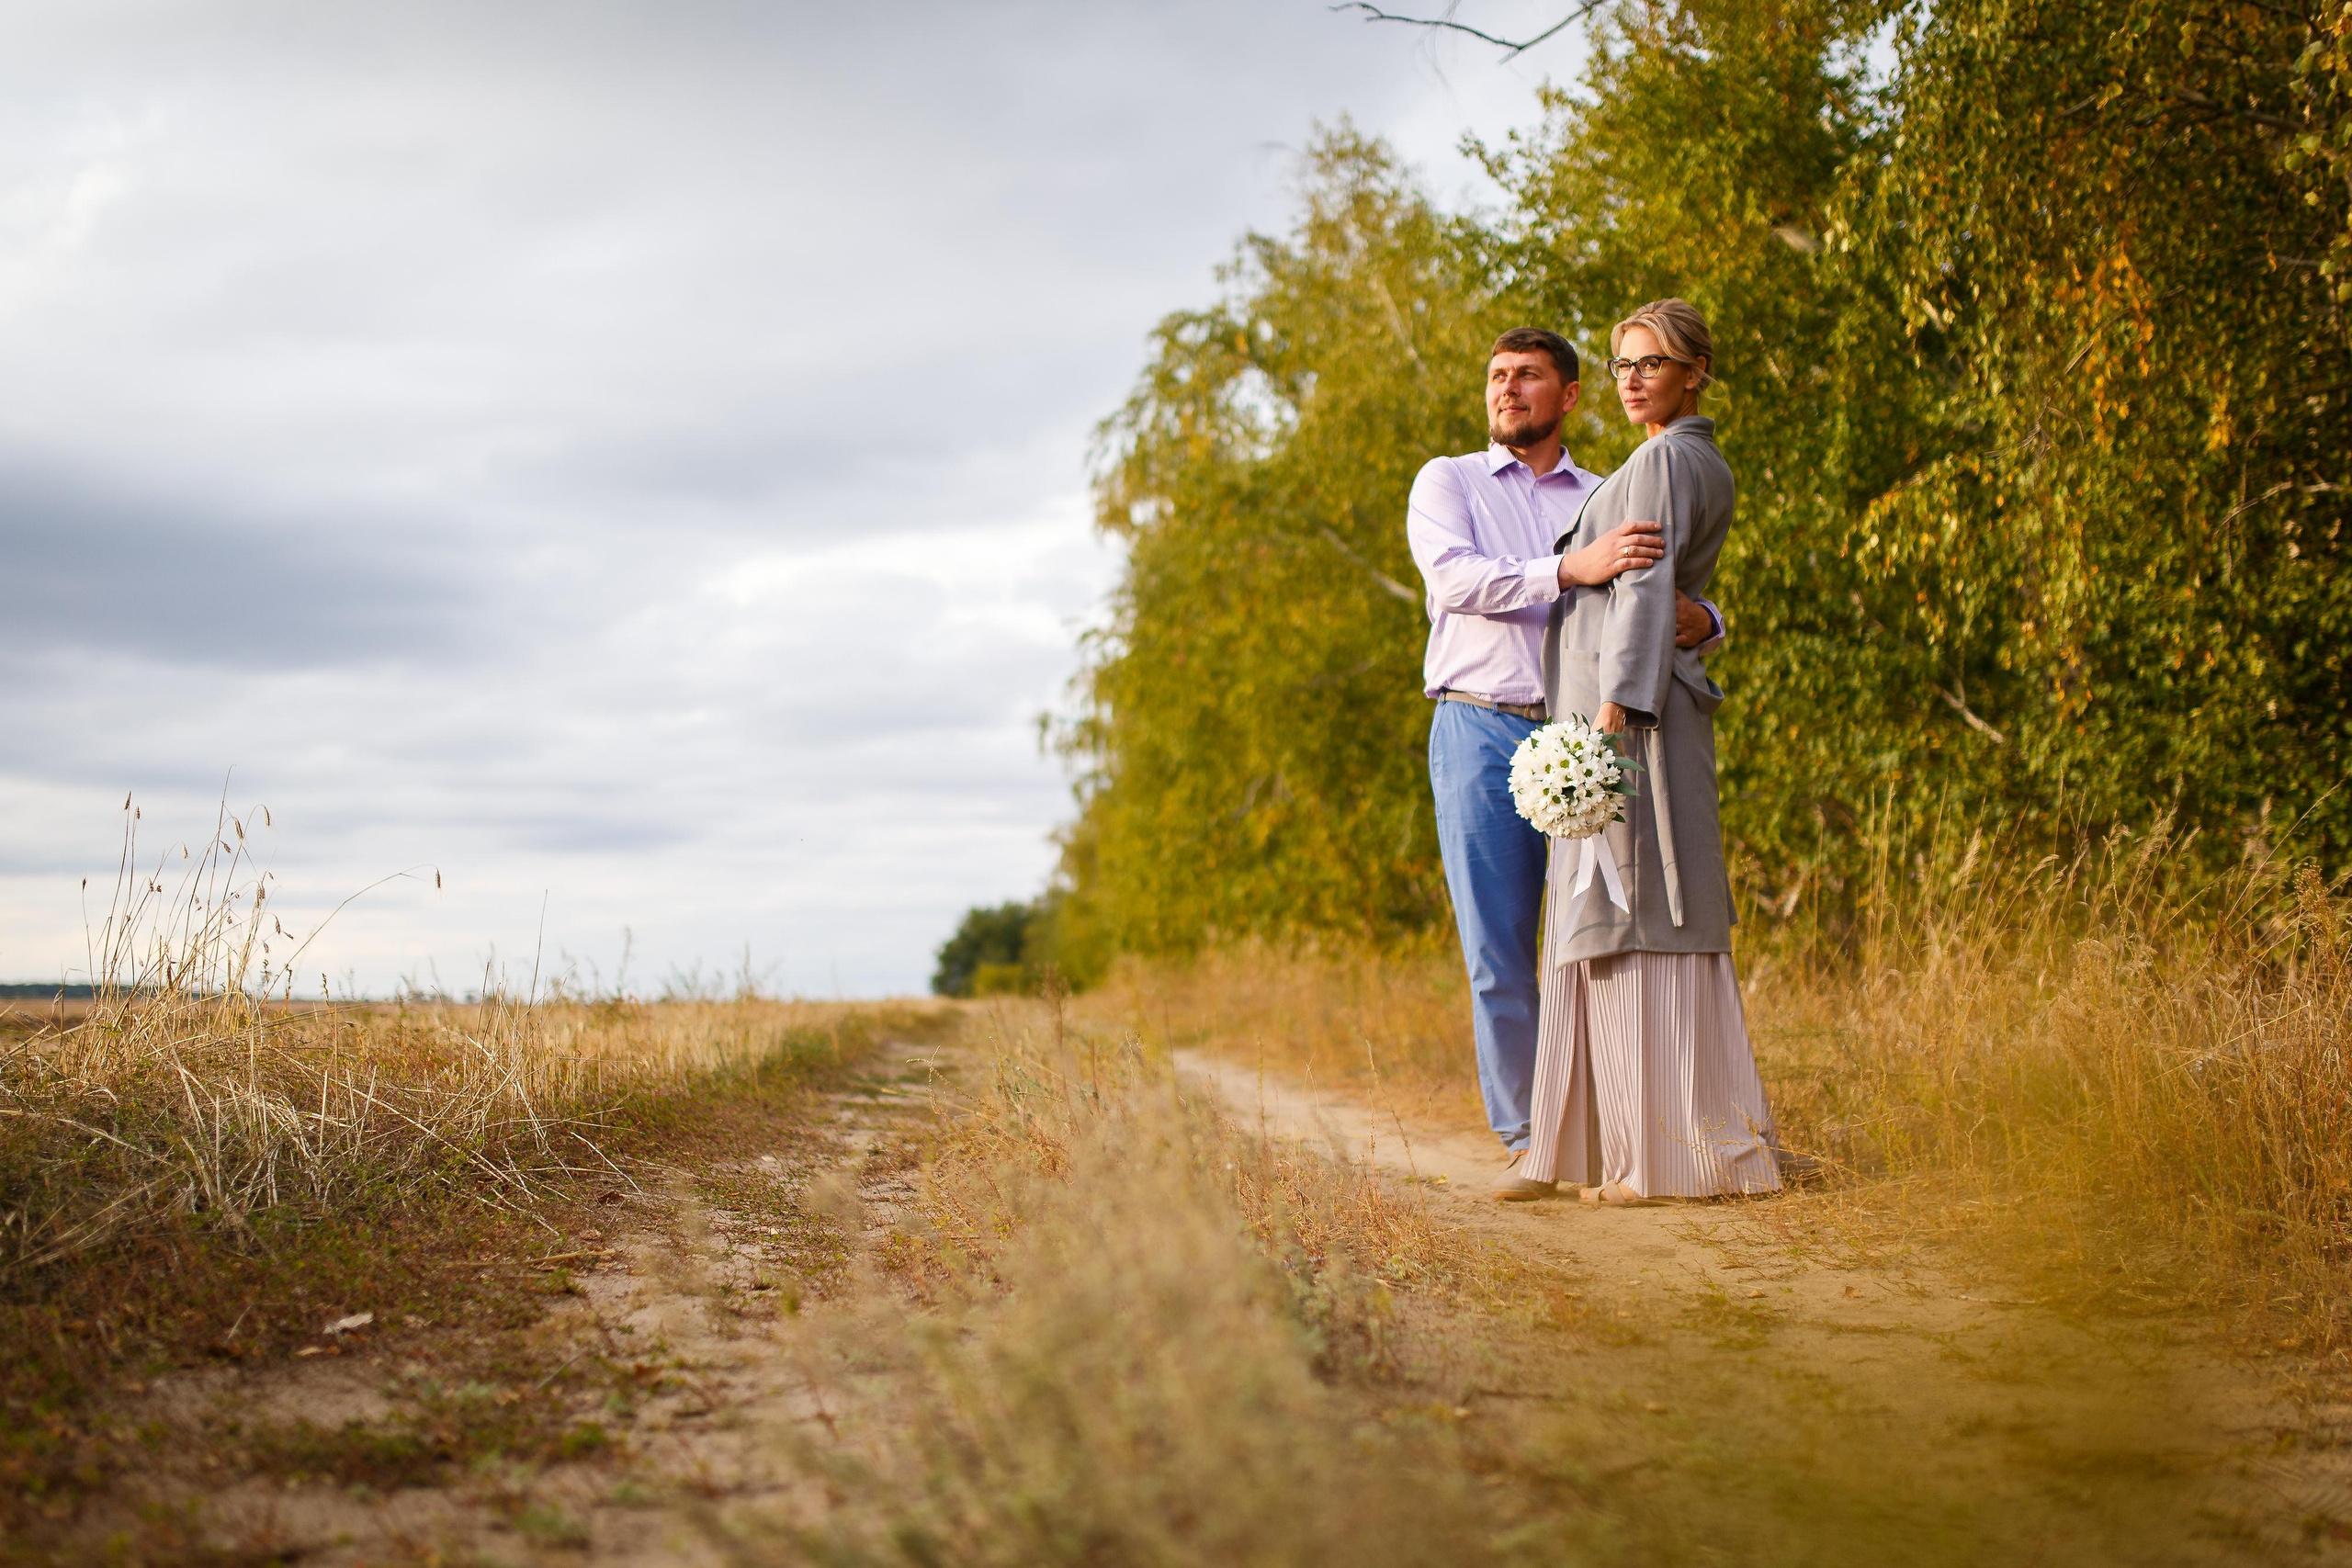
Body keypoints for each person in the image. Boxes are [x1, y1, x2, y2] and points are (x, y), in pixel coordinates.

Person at [1406, 326, 1724, 1194]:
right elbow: (1455, 580)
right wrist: (1568, 570)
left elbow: (1659, 587)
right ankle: (1528, 1139)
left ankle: (1611, 1134)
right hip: (1476, 730)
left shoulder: (1606, 490)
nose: (1508, 390)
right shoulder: (1450, 479)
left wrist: (1713, 620)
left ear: (1570, 395)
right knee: (1498, 944)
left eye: (1529, 377)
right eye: (1498, 376)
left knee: (1592, 938)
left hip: (1587, 735)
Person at [1514, 299, 1780, 1205]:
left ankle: (1662, 1155)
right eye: (1621, 364)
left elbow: (1645, 590)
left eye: (1650, 363)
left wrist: (1612, 714)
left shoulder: (1668, 458)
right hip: (1628, 708)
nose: (1631, 379)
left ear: (1694, 371)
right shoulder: (1685, 457)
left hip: (1629, 719)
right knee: (1617, 905)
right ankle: (1617, 1146)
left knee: (1636, 904)